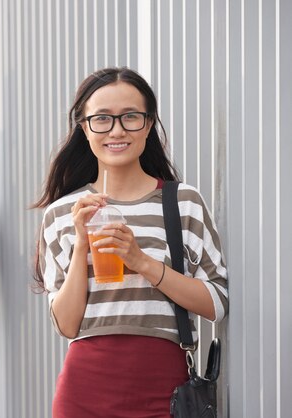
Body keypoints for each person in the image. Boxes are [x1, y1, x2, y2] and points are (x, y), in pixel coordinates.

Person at [33, 67, 229, 417]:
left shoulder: (182, 203)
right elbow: (66, 325)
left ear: (149, 124)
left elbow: (217, 303)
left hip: (165, 389)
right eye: (102, 119)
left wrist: (142, 262)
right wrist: (82, 243)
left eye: (131, 117)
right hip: (84, 391)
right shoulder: (63, 214)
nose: (117, 130)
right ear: (84, 127)